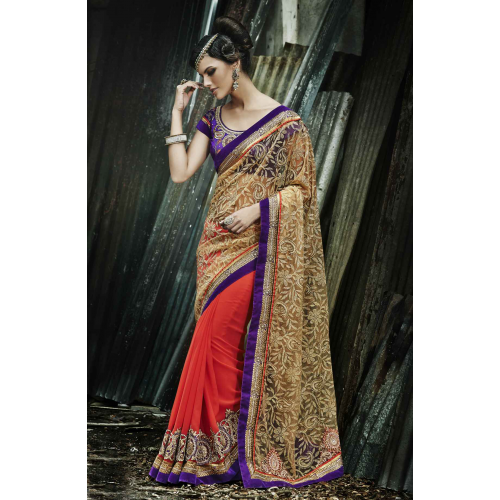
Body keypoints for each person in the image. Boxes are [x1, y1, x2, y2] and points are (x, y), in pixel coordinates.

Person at [149, 16, 344, 489]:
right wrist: (177, 113)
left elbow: (303, 191)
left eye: (211, 72)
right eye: (201, 74)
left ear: (235, 63)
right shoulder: (210, 120)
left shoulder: (286, 125)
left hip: (258, 248)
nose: (206, 82)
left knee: (223, 346)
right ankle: (218, 452)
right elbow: (181, 172)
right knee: (215, 348)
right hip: (215, 249)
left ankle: (232, 450)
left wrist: (258, 211)